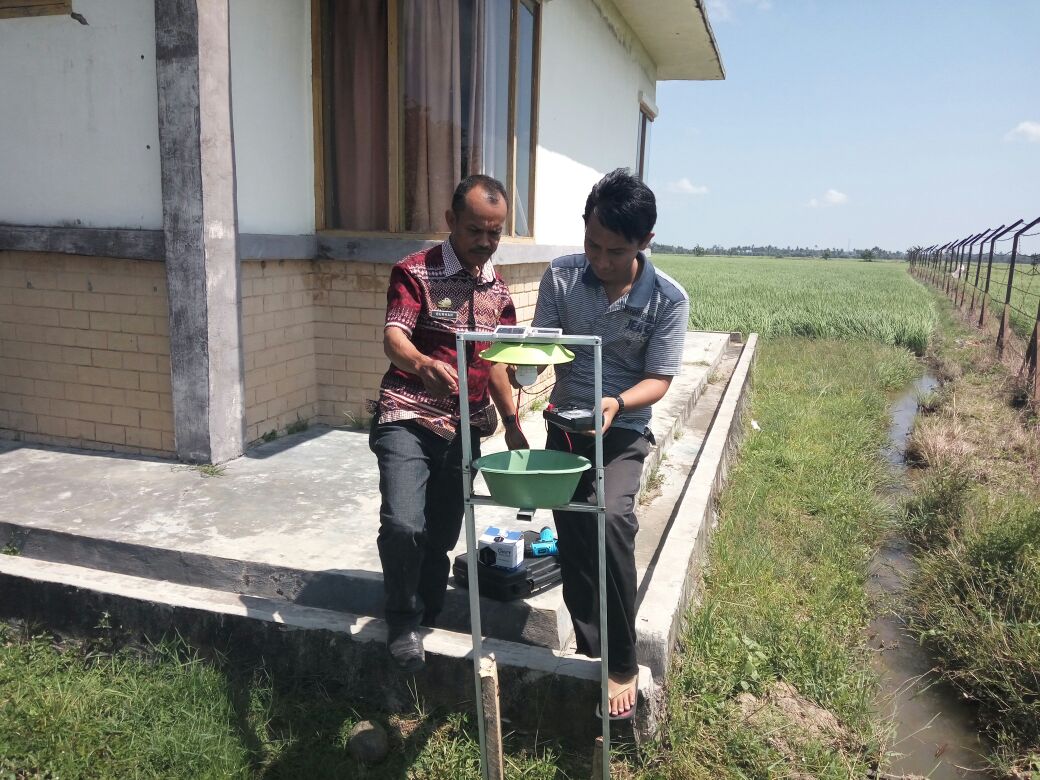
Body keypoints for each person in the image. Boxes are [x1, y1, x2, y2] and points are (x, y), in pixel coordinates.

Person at [523, 168, 689, 719]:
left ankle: (621, 660)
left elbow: (659, 379)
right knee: (572, 536)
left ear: (644, 242)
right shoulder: (563, 277)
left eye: (614, 251)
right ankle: (592, 650)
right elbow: (543, 348)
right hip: (565, 426)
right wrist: (519, 365)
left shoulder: (667, 299)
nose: (599, 259)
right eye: (591, 244)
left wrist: (618, 402)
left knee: (612, 519)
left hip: (621, 429)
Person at [370, 175, 528, 673]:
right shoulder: (416, 272)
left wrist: (513, 421)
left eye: (495, 233)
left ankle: (426, 616)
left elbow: (499, 364)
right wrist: (421, 364)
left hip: (467, 427)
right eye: (476, 230)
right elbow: (394, 334)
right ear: (451, 221)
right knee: (403, 524)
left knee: (439, 535)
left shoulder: (498, 292)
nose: (485, 242)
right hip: (408, 413)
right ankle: (400, 620)